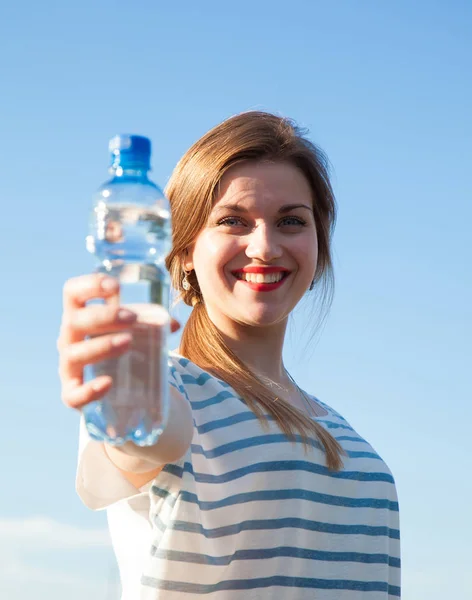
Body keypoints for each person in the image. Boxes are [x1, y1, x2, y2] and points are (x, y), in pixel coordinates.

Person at [57, 111, 401, 599]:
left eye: (290, 221)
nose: (264, 246)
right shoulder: (171, 387)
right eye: (232, 221)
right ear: (185, 249)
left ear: (318, 243)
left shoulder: (344, 432)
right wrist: (125, 392)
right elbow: (147, 431)